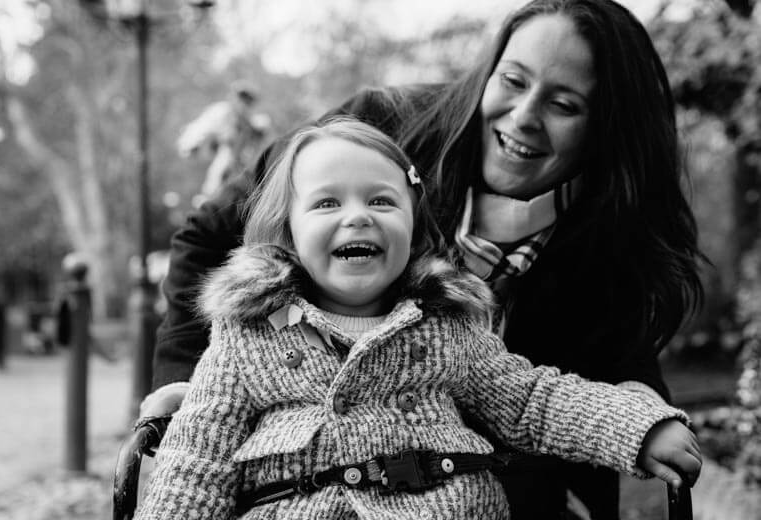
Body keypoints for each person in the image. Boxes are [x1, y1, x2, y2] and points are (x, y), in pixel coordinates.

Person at [142, 0, 706, 516]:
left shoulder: (452, 323)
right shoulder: (368, 137)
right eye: (511, 81)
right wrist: (186, 389)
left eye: (563, 104)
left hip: (476, 490)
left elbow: (543, 393)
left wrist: (638, 418)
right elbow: (196, 462)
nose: (524, 116)